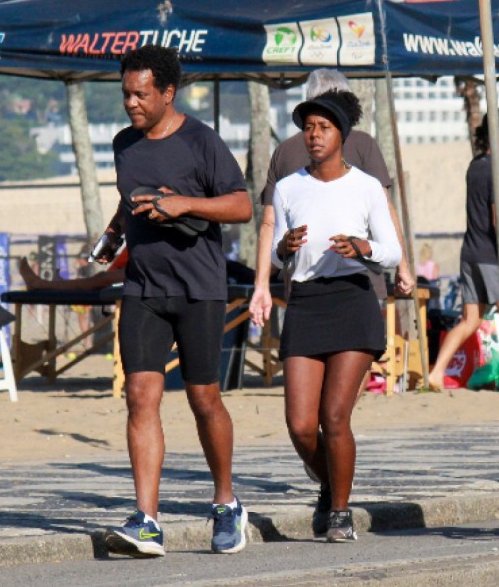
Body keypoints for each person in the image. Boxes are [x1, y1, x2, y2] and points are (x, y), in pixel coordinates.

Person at [100, 44, 253, 558]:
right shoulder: (124, 144)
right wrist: (113, 233)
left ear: (168, 92)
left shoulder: (202, 142)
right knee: (140, 396)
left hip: (199, 288)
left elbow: (240, 205)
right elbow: (130, 200)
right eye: (125, 94)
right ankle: (147, 521)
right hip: (144, 286)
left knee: (203, 398)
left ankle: (227, 503)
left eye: (141, 94)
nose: (131, 104)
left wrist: (184, 203)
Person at [268, 88, 401, 543]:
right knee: (301, 426)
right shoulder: (288, 188)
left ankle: (340, 511)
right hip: (305, 302)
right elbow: (275, 254)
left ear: (342, 134)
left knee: (335, 416)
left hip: (353, 300)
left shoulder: (365, 186)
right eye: (307, 128)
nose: (313, 135)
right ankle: (330, 483)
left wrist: (363, 248)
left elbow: (392, 252)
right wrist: (282, 250)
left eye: (323, 127)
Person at [250, 69, 413, 329]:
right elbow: (385, 206)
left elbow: (268, 224)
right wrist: (403, 266)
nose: (316, 134)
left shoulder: (283, 150)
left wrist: (262, 283)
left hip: (304, 284)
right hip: (362, 283)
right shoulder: (361, 143)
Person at [426, 110, 499, 393]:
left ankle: (436, 373)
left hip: (470, 254)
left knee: (470, 320)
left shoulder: (476, 166)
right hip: (494, 256)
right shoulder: (498, 172)